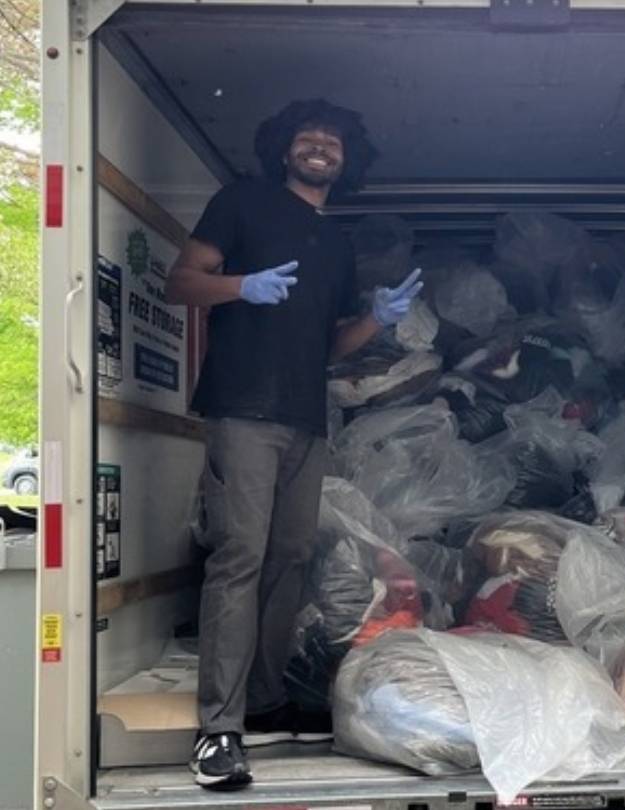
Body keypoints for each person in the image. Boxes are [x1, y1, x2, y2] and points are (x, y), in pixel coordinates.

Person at [165, 99, 424, 790]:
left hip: (306, 418)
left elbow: (329, 346)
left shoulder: (336, 244)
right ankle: (217, 729)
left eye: (333, 141)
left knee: (290, 558)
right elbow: (180, 282)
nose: (320, 147)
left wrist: (376, 319)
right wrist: (240, 287)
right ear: (284, 149)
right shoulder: (242, 202)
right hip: (242, 410)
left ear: (347, 159)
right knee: (240, 556)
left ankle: (264, 700)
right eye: (308, 137)